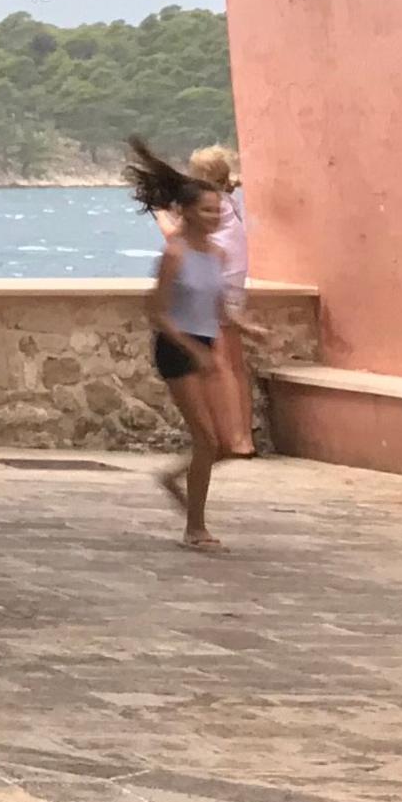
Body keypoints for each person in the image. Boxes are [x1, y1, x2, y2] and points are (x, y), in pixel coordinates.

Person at [129, 137, 266, 548]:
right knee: (206, 439)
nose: (214, 216)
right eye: (206, 211)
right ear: (186, 212)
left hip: (205, 344)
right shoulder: (174, 254)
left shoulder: (217, 256)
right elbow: (156, 312)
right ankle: (195, 527)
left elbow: (223, 310)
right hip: (177, 349)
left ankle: (172, 478)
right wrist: (192, 351)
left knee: (226, 444)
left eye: (218, 210)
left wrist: (249, 327)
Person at [187, 144, 255, 456]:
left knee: (220, 364)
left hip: (218, 285)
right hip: (236, 284)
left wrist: (159, 212)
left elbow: (177, 236)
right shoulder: (231, 203)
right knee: (235, 364)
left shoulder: (212, 206)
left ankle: (231, 439)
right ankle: (243, 437)